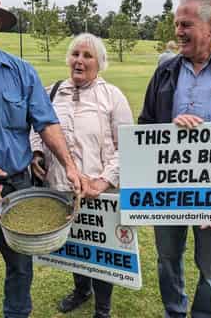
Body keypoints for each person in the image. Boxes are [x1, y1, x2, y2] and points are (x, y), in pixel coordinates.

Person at [0, 0, 88, 318]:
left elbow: (46, 123)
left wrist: (70, 166)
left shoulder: (22, 73)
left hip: (17, 187)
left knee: (20, 269)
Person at [139, 0, 211, 318]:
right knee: (167, 258)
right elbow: (145, 124)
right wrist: (169, 130)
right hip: (167, 189)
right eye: (176, 24)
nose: (178, 31)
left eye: (186, 24)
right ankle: (174, 312)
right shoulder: (165, 70)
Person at [30, 33, 133, 318]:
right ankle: (81, 290)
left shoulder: (112, 96)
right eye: (75, 54)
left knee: (101, 248)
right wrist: (36, 153)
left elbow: (127, 146)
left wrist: (105, 180)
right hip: (61, 188)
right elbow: (37, 130)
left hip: (100, 192)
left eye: (87, 56)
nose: (79, 60)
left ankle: (103, 308)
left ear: (100, 62)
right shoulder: (51, 92)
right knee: (74, 243)